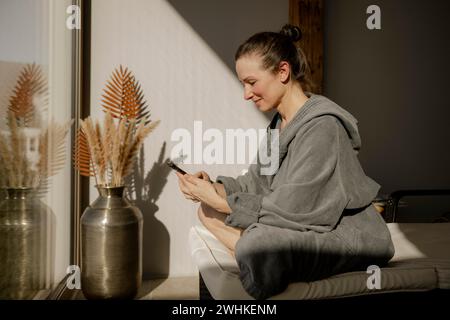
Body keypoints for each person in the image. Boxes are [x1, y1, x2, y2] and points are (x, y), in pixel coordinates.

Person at [175, 24, 395, 299]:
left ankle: (254, 256)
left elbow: (298, 208)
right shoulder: (279, 125)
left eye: (251, 82)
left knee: (260, 243)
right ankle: (252, 255)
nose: (246, 94)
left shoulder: (324, 127)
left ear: (282, 72)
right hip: (297, 221)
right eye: (243, 83)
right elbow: (255, 181)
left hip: (346, 234)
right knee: (206, 212)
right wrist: (212, 189)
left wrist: (224, 202)